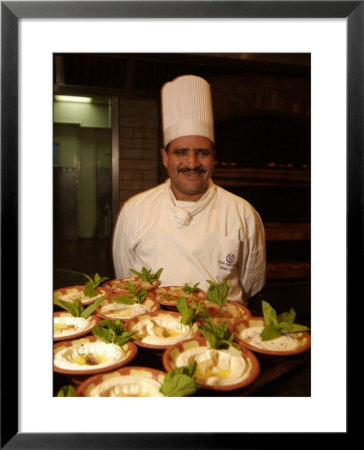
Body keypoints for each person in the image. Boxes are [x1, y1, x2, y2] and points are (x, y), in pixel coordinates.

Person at [112, 74, 266, 305]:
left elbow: (252, 282)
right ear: (165, 157)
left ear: (213, 157)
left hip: (221, 332)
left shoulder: (242, 213)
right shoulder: (135, 211)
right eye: (181, 152)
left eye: (202, 152)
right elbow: (125, 279)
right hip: (154, 329)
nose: (192, 163)